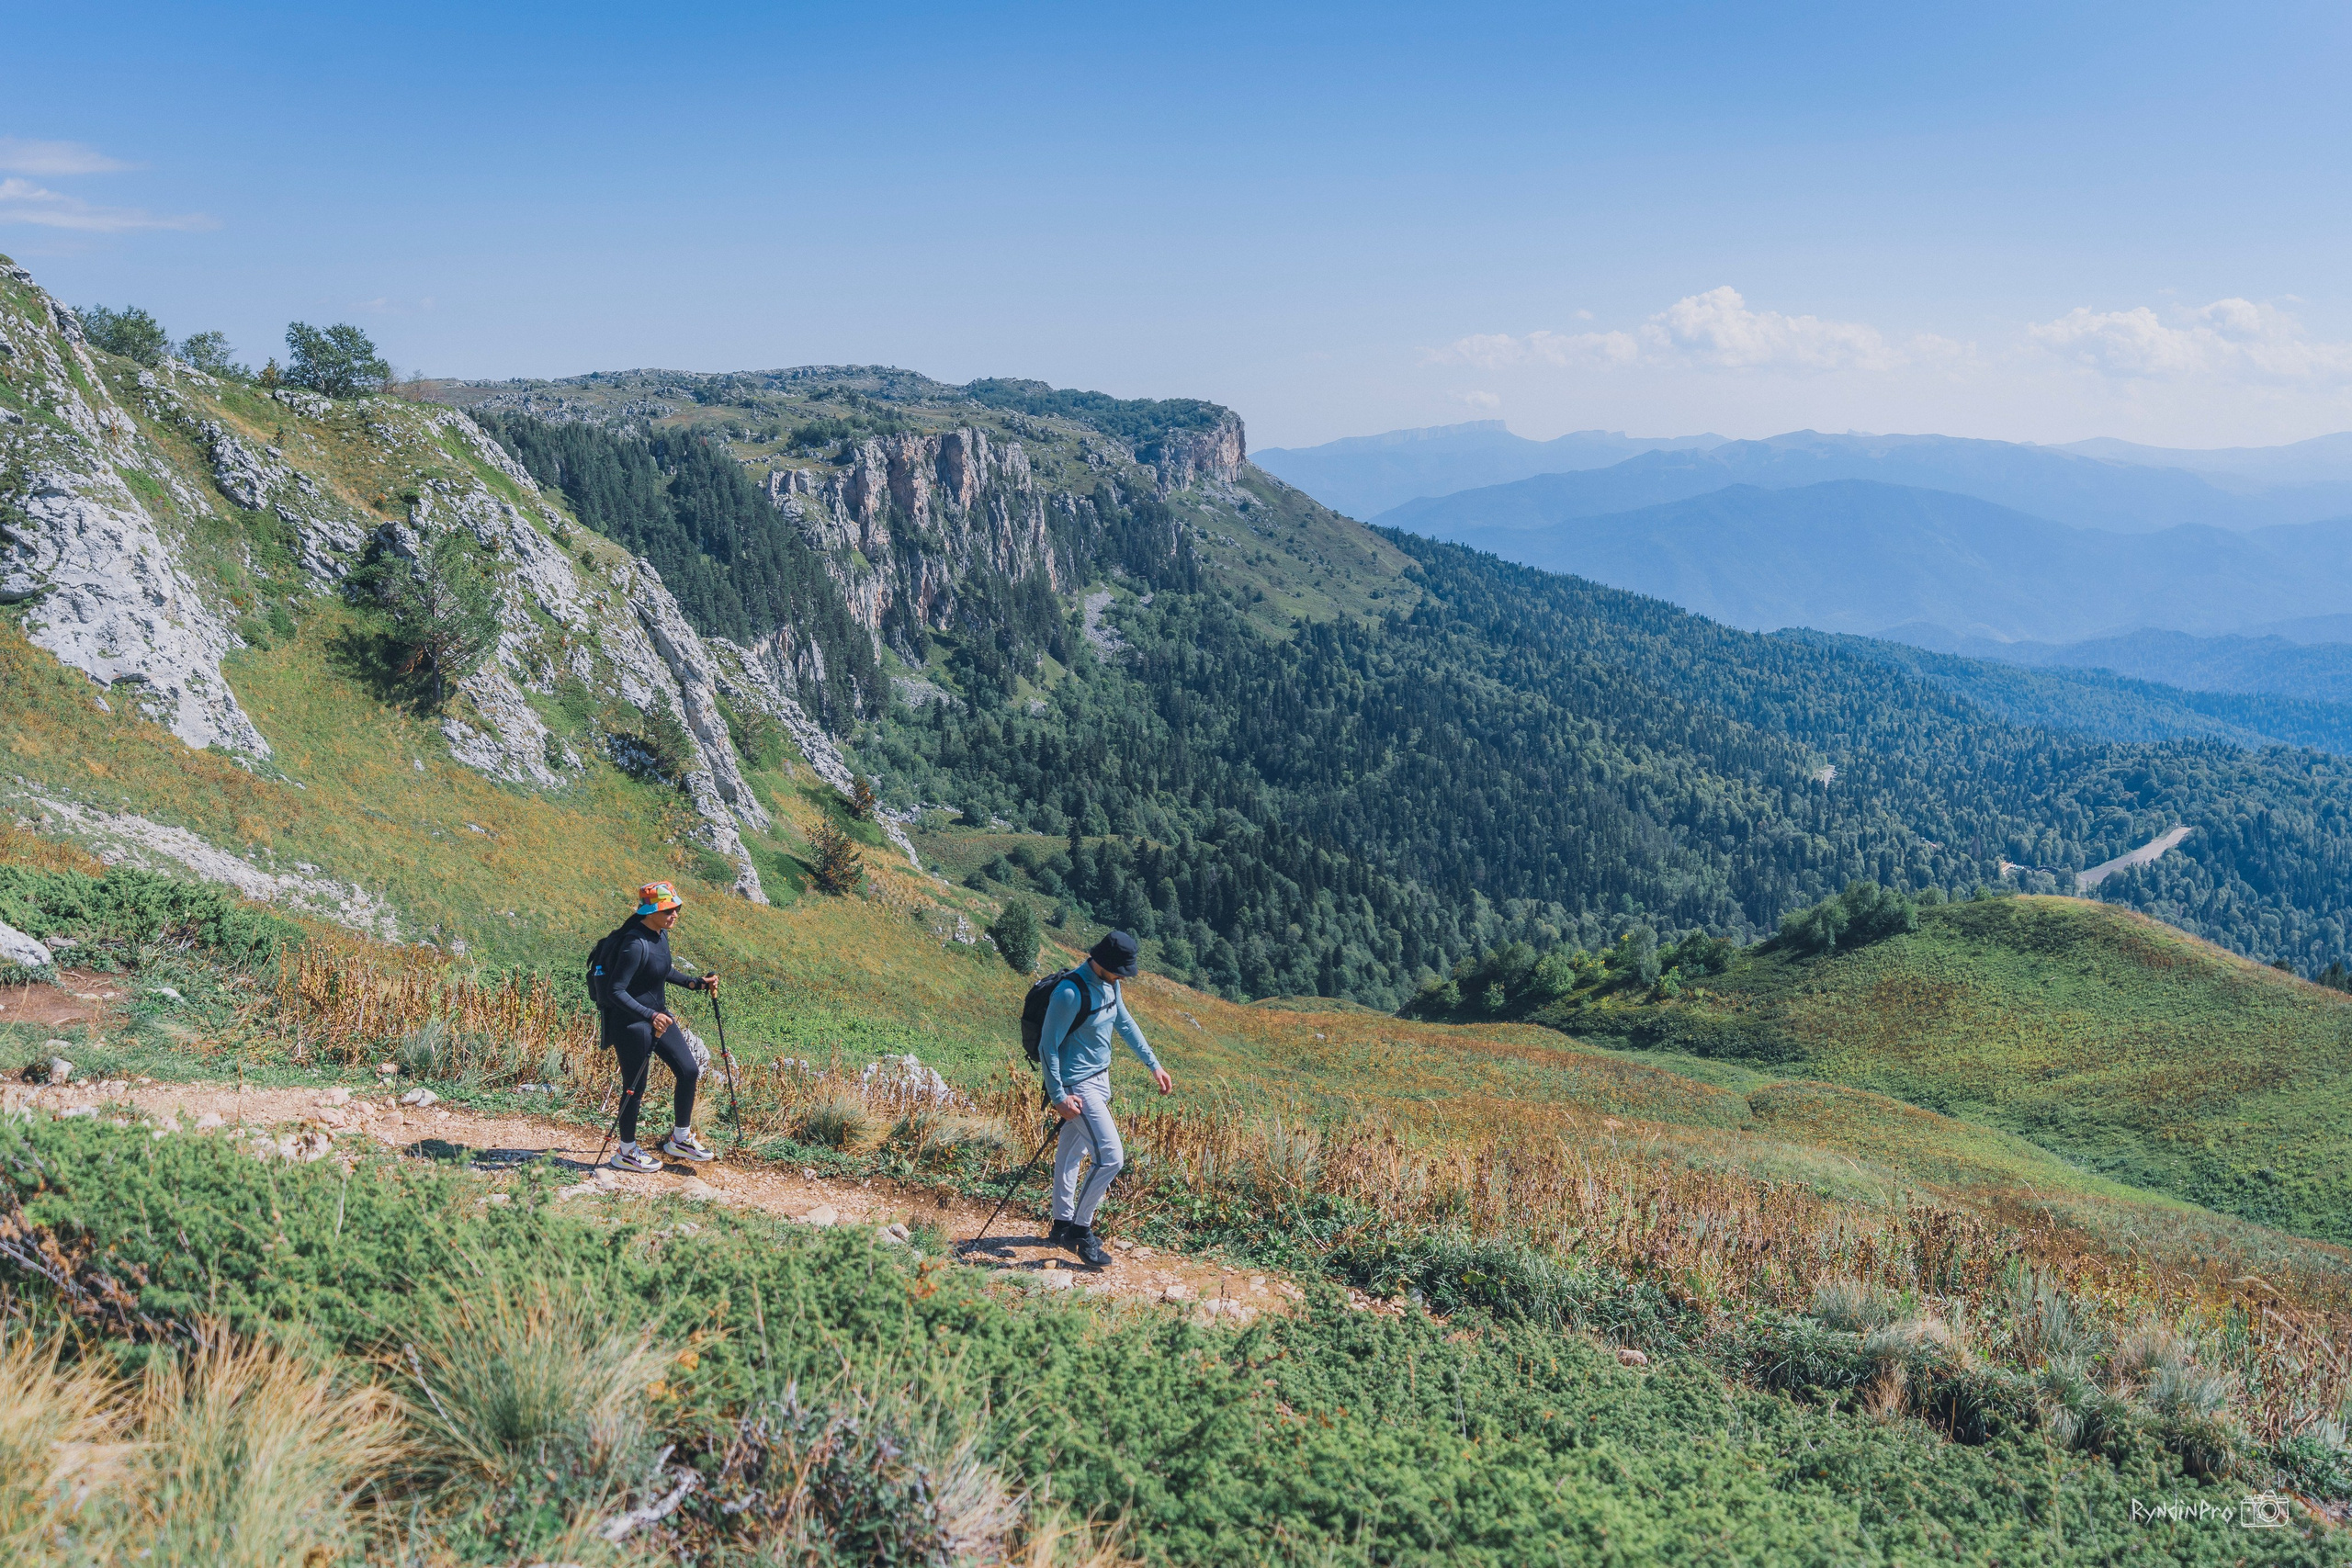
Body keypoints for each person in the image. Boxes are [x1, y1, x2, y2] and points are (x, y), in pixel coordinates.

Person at [1036, 930, 1172, 1266]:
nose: (1123, 977)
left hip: (1100, 1080)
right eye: (1120, 970)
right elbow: (1047, 1047)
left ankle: (1061, 1224)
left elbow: (1124, 1022)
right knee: (1111, 1157)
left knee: (1070, 1154)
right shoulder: (1069, 993)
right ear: (1102, 962)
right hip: (1077, 1088)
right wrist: (1058, 1097)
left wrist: (1153, 1064)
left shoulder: (1111, 983)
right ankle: (1080, 1232)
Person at [599, 882, 721, 1172]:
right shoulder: (633, 943)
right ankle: (626, 1152)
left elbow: (663, 969)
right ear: (650, 911)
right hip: (630, 1022)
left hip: (658, 1016)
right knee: (635, 1087)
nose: (674, 914)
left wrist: (694, 983)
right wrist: (649, 1015)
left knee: (689, 1070)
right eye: (668, 910)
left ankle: (680, 1139)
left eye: (677, 908)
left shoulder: (659, 935)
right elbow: (616, 991)